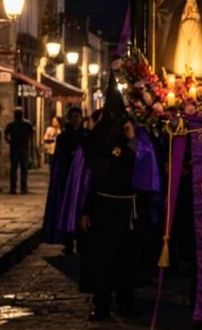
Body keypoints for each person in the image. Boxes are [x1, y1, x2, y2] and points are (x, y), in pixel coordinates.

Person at [79, 78, 150, 321]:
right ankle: (100, 304)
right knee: (102, 258)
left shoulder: (135, 141)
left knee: (126, 257)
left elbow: (144, 168)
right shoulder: (95, 142)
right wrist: (86, 211)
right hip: (102, 209)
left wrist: (132, 141)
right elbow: (89, 179)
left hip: (127, 209)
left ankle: (125, 301)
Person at [42, 108, 84, 254]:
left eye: (77, 117)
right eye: (72, 117)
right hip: (67, 178)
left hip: (82, 180)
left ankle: (81, 241)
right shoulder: (63, 137)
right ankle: (68, 243)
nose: (74, 120)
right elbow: (59, 159)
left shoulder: (86, 136)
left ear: (81, 118)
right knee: (66, 209)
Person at [4, 107, 33, 194]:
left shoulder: (11, 124)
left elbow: (5, 135)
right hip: (23, 147)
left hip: (15, 148)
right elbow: (31, 135)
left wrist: (9, 142)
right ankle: (23, 188)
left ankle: (13, 188)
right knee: (23, 169)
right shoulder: (27, 124)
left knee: (14, 168)